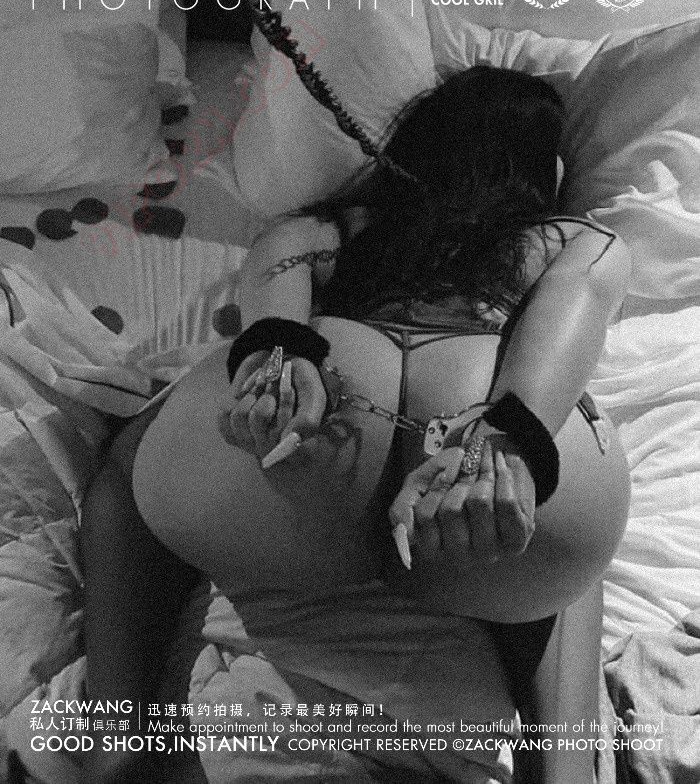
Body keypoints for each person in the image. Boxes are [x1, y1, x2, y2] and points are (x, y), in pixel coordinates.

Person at [82, 66, 631, 782]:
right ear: (548, 171)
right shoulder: (570, 238)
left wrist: (277, 368)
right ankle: (567, 770)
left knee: (125, 467)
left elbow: (277, 311)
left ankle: (117, 736)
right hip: (482, 459)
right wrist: (510, 438)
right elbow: (576, 302)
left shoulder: (329, 226)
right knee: (561, 549)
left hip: (308, 448)